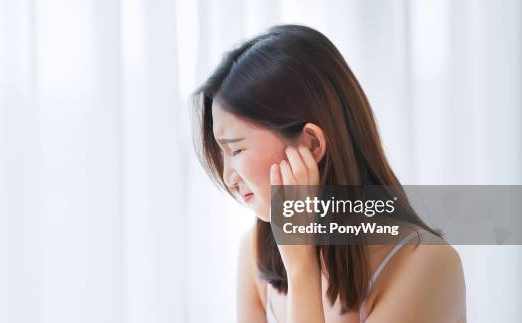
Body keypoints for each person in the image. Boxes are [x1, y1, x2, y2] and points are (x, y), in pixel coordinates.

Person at [191, 25, 466, 323]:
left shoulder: (427, 264)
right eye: (221, 154)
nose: (228, 176)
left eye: (236, 150)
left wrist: (301, 269)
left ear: (311, 144)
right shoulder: (256, 249)